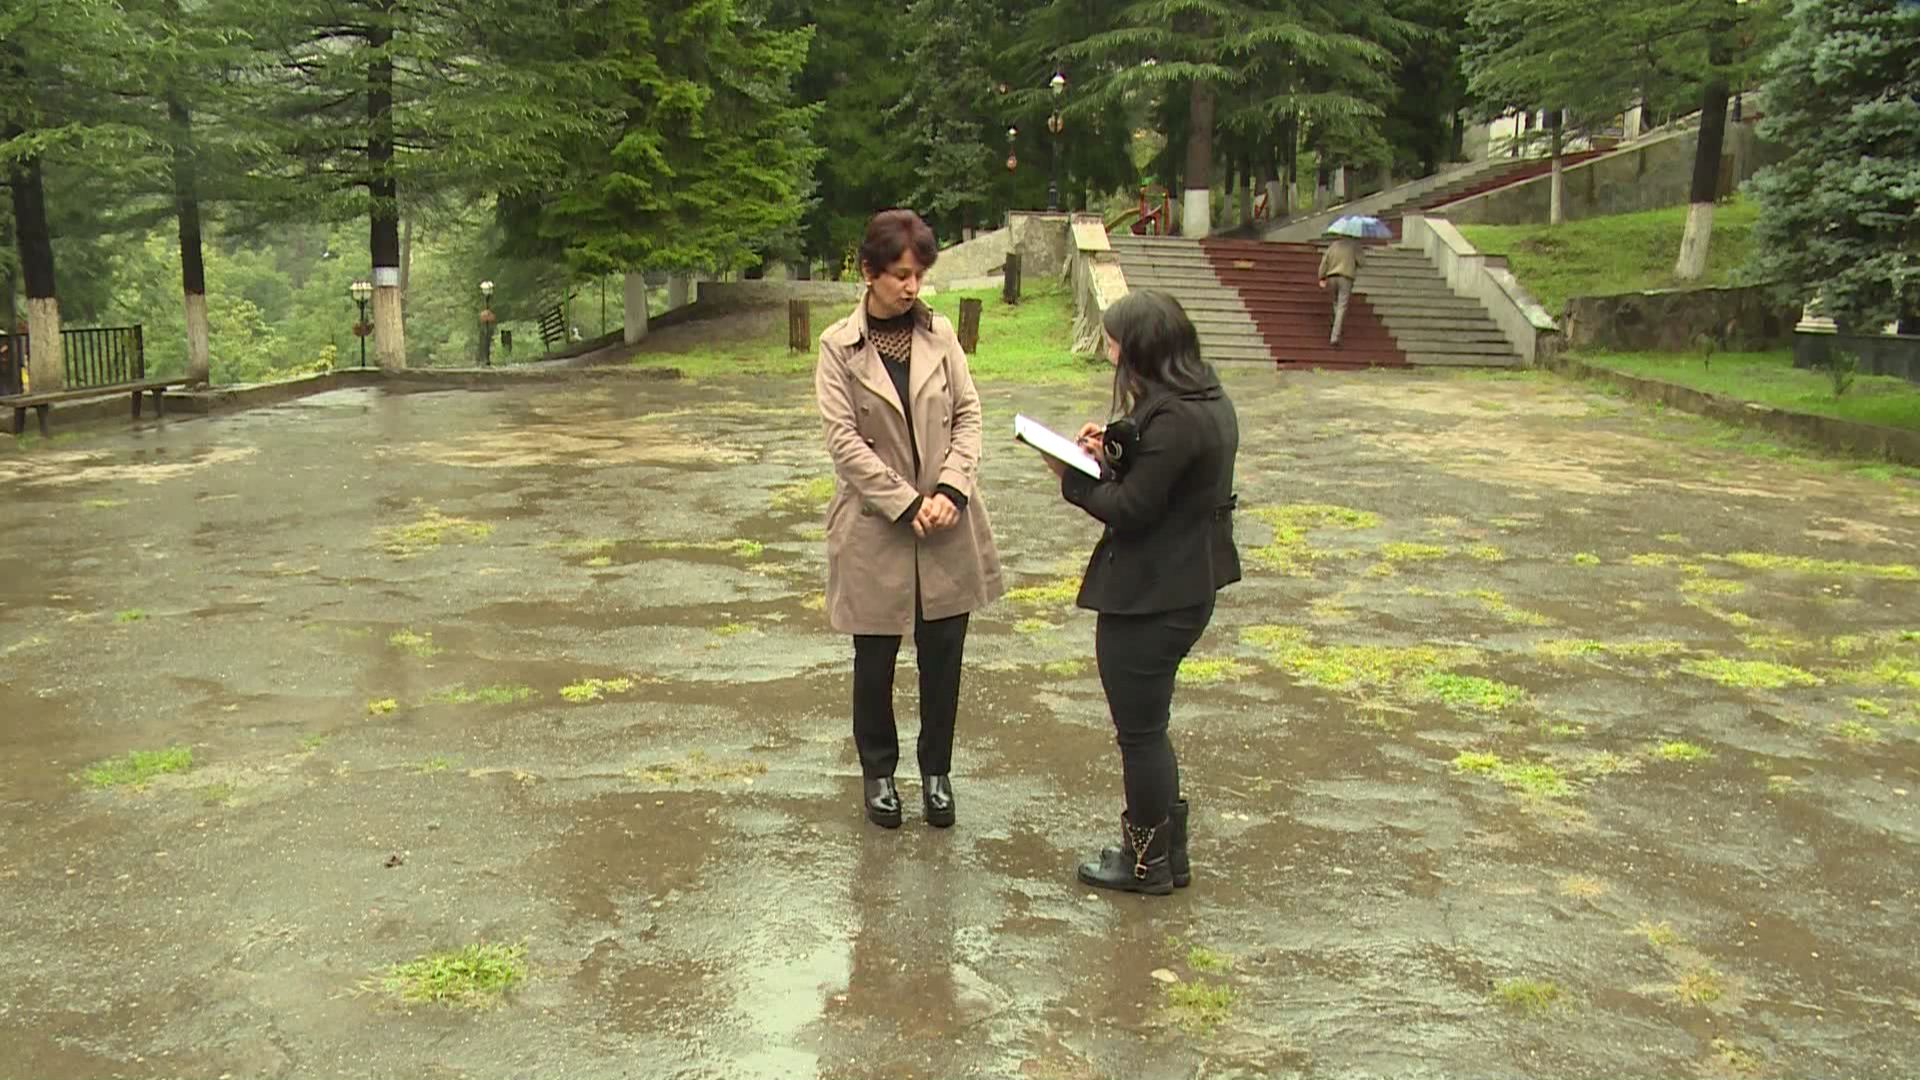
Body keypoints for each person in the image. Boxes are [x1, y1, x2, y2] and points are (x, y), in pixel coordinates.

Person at [1039, 289, 1240, 895]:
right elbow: (1165, 477)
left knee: (1141, 732)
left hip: (1154, 593)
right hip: (1184, 582)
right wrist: (1114, 449)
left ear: (1140, 349)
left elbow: (1132, 508)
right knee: (1149, 726)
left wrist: (1072, 477)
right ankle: (1167, 856)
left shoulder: (1175, 419)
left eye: (1113, 343)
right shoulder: (1204, 399)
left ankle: (1146, 864)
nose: (1109, 352)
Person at [814, 209, 1004, 830]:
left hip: (947, 523)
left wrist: (950, 488)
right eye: (900, 274)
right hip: (877, 525)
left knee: (944, 657)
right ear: (869, 272)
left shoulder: (940, 334)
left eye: (919, 273)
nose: (912, 286)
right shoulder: (838, 347)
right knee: (874, 661)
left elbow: (969, 415)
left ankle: (936, 773)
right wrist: (907, 501)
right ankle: (878, 772)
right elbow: (844, 443)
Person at [1318, 235, 1362, 347]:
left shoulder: (1333, 246)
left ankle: (1336, 326)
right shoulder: (1353, 246)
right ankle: (1335, 336)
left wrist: (1321, 276)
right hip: (1346, 277)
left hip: (1332, 277)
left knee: (1335, 303)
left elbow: (1324, 261)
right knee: (1342, 306)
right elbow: (1362, 262)